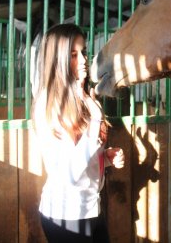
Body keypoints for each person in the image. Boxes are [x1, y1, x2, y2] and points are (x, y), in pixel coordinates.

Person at [32, 23, 125, 243]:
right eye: (74, 55)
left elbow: (82, 158)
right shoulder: (49, 103)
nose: (84, 60)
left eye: (83, 52)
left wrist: (106, 158)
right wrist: (95, 120)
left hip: (91, 209)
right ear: (57, 61)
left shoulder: (80, 95)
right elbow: (68, 174)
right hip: (66, 217)